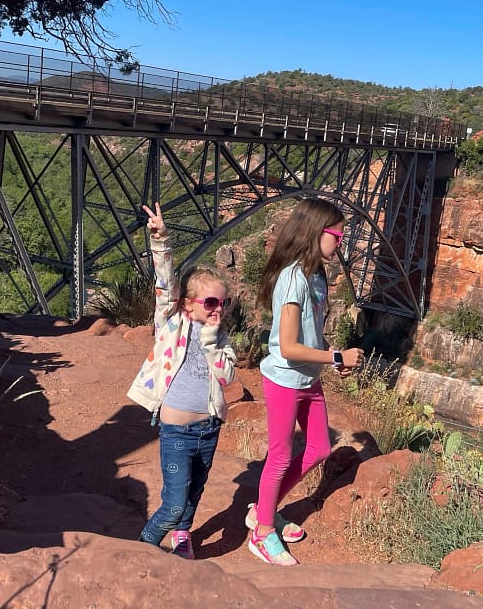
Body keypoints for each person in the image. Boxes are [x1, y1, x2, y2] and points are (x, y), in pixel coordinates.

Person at [246, 198, 363, 565]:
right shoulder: (293, 278)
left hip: (308, 378)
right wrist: (337, 358)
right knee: (280, 456)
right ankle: (262, 533)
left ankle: (264, 509)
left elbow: (310, 334)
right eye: (337, 236)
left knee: (319, 449)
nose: (340, 243)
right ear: (316, 233)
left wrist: (331, 352)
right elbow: (291, 347)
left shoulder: (316, 275)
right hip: (284, 380)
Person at [127, 202, 236, 560]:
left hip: (208, 429)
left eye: (224, 302)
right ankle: (144, 547)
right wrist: (161, 242)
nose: (218, 308)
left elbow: (226, 377)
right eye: (210, 302)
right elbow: (164, 284)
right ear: (188, 305)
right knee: (173, 503)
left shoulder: (220, 339)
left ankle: (182, 536)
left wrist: (211, 341)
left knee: (194, 493)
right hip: (176, 432)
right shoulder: (172, 324)